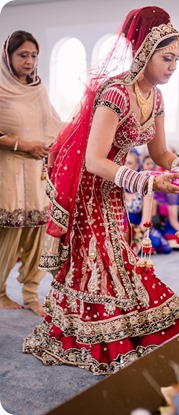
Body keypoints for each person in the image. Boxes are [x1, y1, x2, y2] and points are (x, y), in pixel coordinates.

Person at [23, 7, 179, 375]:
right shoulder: (115, 93)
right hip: (90, 188)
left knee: (117, 259)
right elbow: (92, 160)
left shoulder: (156, 98)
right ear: (144, 53)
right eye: (166, 58)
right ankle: (92, 325)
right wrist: (146, 182)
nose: (172, 67)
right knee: (97, 262)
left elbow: (160, 152)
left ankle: (121, 319)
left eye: (177, 60)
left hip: (115, 188)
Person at [0, 31, 63, 316]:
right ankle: (0, 292)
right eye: (22, 55)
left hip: (37, 170)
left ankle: (30, 293)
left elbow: (51, 122)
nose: (29, 61)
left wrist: (51, 145)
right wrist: (21, 144)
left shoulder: (38, 88)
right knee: (8, 235)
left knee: (38, 233)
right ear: (8, 56)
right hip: (8, 171)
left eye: (34, 55)